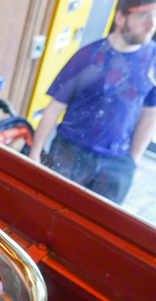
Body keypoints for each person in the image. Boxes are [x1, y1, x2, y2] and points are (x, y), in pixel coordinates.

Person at [28, 0, 156, 203]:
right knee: (52, 208)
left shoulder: (153, 59)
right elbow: (54, 108)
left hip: (118, 163)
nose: (152, 25)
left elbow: (150, 112)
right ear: (121, 17)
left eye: (155, 17)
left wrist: (133, 158)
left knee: (101, 224)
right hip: (69, 153)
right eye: (144, 17)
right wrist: (35, 152)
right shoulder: (87, 56)